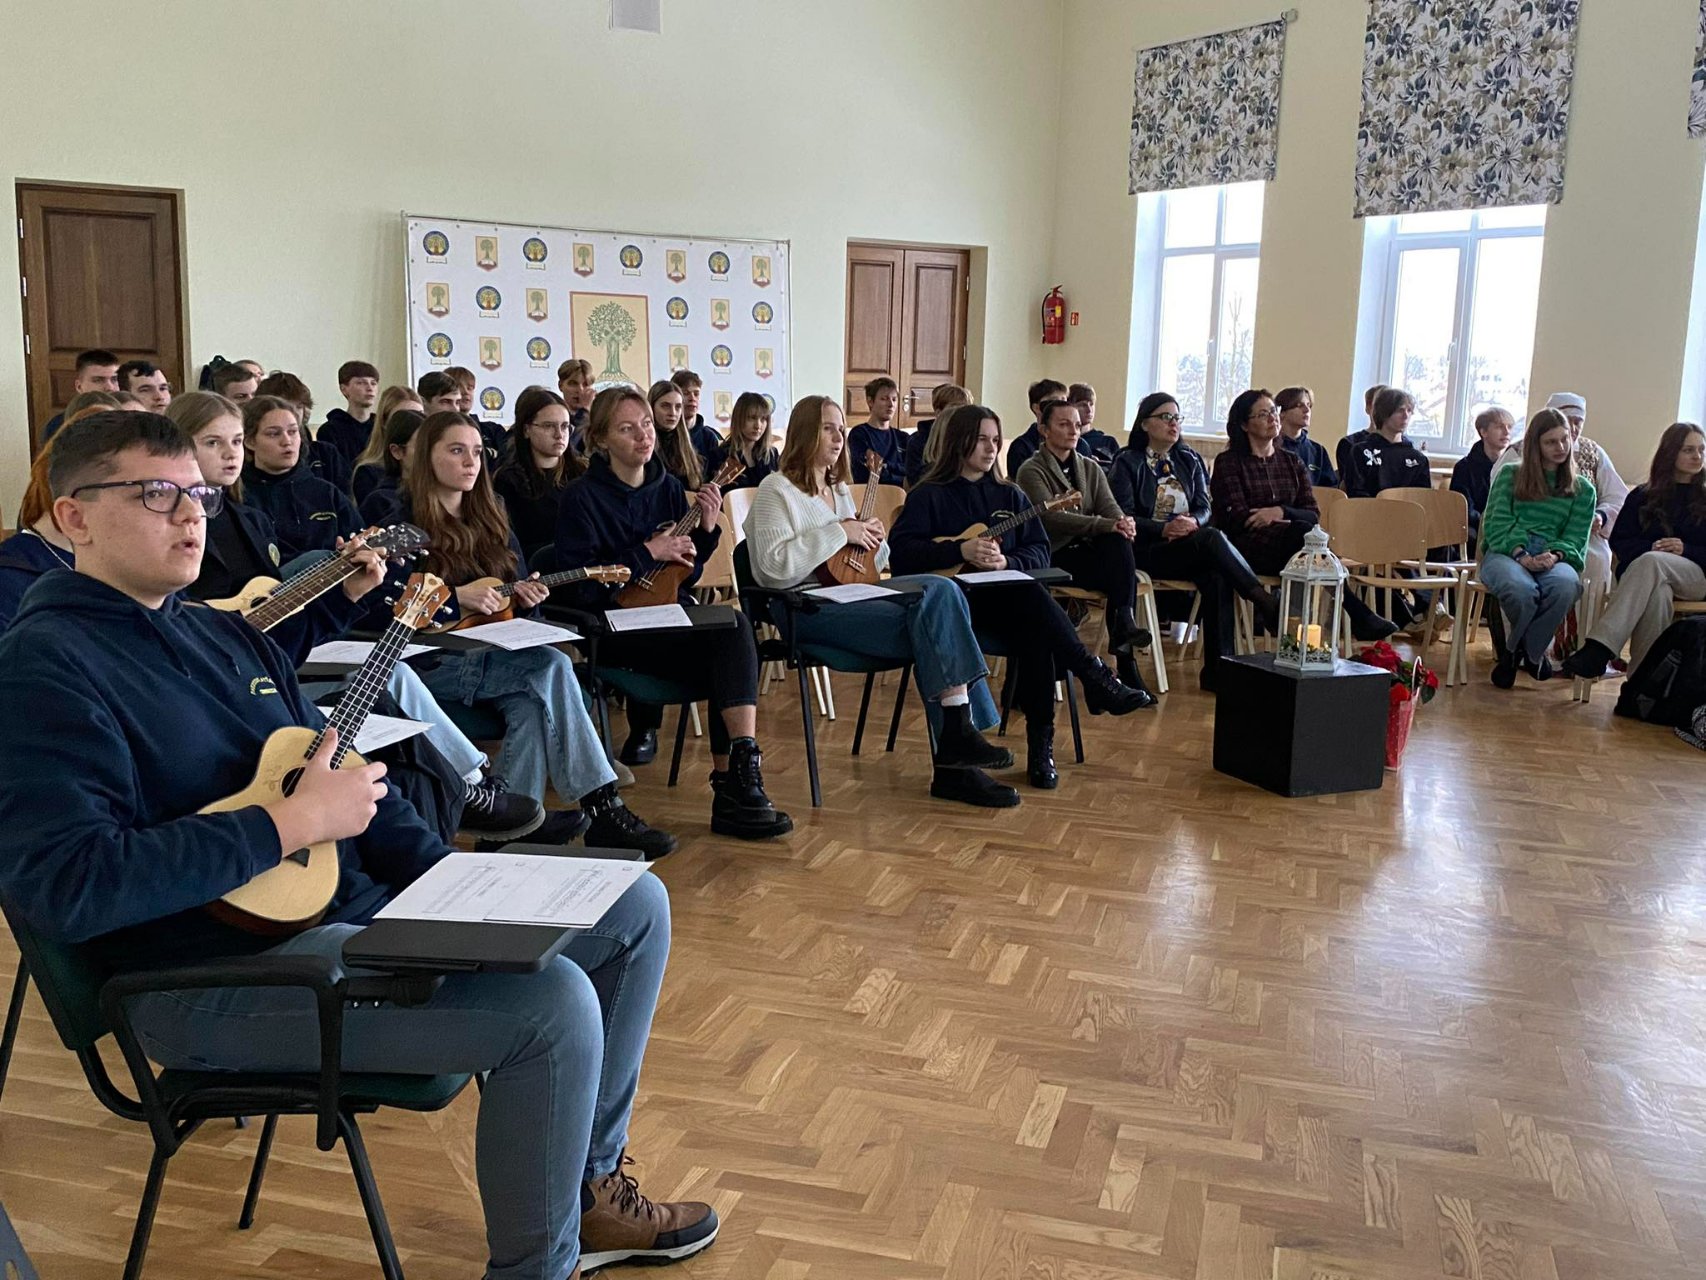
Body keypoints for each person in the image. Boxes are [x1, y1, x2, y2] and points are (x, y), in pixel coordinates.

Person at [0, 409, 718, 1280]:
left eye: (197, 493)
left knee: (634, 904)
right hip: (205, 979)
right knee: (551, 1006)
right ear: (73, 516)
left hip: (338, 922)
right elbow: (67, 886)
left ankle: (589, 1189)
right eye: (156, 494)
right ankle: (538, 1265)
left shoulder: (218, 633)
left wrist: (451, 881)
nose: (192, 513)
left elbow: (332, 775)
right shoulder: (43, 665)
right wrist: (286, 827)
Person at [392, 411, 679, 856]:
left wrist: (527, 597)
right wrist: (456, 597)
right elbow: (389, 606)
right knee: (552, 665)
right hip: (431, 662)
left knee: (530, 704)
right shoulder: (400, 523)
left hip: (494, 654)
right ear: (427, 457)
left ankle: (510, 827)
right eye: (456, 450)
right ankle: (603, 806)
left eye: (476, 452)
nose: (471, 462)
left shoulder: (491, 512)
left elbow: (517, 585)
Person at [743, 394, 1018, 807]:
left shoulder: (838, 490)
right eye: (828, 429)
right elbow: (771, 569)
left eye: (841, 429)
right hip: (807, 607)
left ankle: (958, 739)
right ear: (803, 433)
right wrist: (841, 532)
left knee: (942, 589)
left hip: (857, 595)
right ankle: (956, 761)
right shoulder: (775, 490)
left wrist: (875, 537)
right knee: (934, 629)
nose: (838, 438)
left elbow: (865, 563)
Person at [555, 388, 792, 840]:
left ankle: (738, 778)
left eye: (646, 424)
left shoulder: (665, 487)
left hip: (666, 617)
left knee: (731, 626)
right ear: (601, 439)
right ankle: (734, 789)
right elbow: (579, 585)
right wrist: (646, 552)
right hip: (615, 628)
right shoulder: (580, 499)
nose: (643, 435)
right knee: (728, 648)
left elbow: (682, 573)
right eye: (627, 429)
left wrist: (705, 531)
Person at [890, 405, 1153, 788]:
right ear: (958, 442)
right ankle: (1092, 677)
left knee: (1035, 622)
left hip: (1007, 603)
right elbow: (901, 556)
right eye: (981, 439)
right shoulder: (928, 495)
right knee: (1034, 609)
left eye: (996, 440)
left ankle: (1041, 747)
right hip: (953, 610)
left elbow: (1040, 551)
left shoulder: (1010, 495)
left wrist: (1006, 562)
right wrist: (958, 551)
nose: (991, 448)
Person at [1109, 391, 1283, 687]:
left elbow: (1205, 507)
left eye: (1177, 417)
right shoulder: (1127, 462)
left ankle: (1217, 671)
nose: (1173, 423)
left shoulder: (1188, 460)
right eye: (1165, 417)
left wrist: (1193, 521)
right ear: (1145, 424)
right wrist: (1162, 529)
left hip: (1186, 546)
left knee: (1217, 574)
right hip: (1146, 549)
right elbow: (1123, 515)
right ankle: (1263, 600)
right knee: (1212, 538)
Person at [1212, 388, 1399, 641]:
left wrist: (1279, 512)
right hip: (1247, 549)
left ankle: (1299, 629)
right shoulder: (1229, 462)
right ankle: (1356, 614)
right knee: (1306, 538)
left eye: (1274, 411)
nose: (1273, 418)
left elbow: (1312, 513)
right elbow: (1238, 518)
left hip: (1294, 547)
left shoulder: (1291, 461)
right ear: (1244, 424)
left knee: (1307, 539)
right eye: (1263, 414)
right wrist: (1286, 520)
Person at [1014, 398, 1151, 690]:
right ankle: (1125, 656)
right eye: (1064, 424)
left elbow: (1110, 507)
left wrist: (1123, 522)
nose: (1073, 431)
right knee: (1119, 564)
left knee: (1118, 543)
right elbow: (1052, 518)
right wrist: (1106, 525)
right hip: (1055, 554)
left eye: (1077, 425)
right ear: (1044, 430)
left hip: (1089, 552)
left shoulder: (1089, 467)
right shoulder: (1031, 469)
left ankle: (1124, 628)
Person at [1565, 423, 1706, 678]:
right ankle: (1641, 684)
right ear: (1671, 453)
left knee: (1653, 562)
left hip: (1697, 577)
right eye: (1688, 450)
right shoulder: (1643, 495)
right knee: (1658, 595)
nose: (1697, 456)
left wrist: (1685, 549)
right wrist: (1651, 547)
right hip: (1647, 579)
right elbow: (1620, 541)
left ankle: (1600, 647)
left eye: (1701, 449)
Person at [1478, 408, 1594, 687]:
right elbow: (1496, 525)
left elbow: (1576, 538)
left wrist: (1554, 555)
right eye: (1551, 442)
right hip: (1507, 551)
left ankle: (1515, 652)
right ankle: (1533, 654)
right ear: (1535, 445)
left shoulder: (1583, 490)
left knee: (1566, 586)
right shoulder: (1509, 475)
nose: (1561, 447)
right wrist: (1522, 555)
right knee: (1521, 590)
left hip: (1554, 555)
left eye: (1565, 439)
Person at [1494, 392, 1628, 591]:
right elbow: (1499, 497)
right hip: (1525, 531)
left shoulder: (1593, 452)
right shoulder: (1517, 452)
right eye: (1568, 421)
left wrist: (1601, 515)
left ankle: (1583, 612)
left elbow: (1617, 496)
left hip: (1578, 533)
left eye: (1578, 422)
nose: (1573, 428)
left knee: (1596, 559)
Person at [240, 395, 362, 558]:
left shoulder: (326, 493)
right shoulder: (238, 495)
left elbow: (359, 540)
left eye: (293, 432)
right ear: (250, 441)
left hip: (329, 574)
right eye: (273, 434)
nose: (287, 441)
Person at [493, 387, 583, 557]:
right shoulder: (508, 480)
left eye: (565, 426)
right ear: (526, 430)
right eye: (549, 426)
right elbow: (509, 543)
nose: (559, 435)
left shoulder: (583, 472)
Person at [256, 370, 352, 494]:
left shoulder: (326, 454)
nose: (294, 413)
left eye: (299, 406)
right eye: (285, 406)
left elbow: (347, 497)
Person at [1340, 387, 1431, 497]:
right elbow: (1356, 493)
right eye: (1400, 410)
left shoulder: (1418, 459)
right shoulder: (1360, 452)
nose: (1406, 416)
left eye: (1409, 411)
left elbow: (1422, 498)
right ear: (1384, 413)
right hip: (1368, 507)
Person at [1451, 407, 1514, 548]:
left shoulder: (1513, 467)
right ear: (1483, 432)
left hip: (1507, 527)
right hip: (1477, 528)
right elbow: (1464, 509)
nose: (1506, 432)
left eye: (1509, 427)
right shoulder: (1464, 467)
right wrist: (1490, 522)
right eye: (1499, 427)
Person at [351, 386, 425, 506]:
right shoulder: (368, 473)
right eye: (402, 417)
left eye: (420, 414)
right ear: (384, 422)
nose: (415, 422)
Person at [40, 348, 121, 441]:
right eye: (98, 380)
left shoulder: (130, 417)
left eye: (114, 379)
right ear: (79, 386)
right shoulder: (59, 425)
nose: (110, 387)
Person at [903, 383, 970, 488]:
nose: (961, 416)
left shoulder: (970, 439)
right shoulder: (918, 441)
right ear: (939, 412)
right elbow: (916, 480)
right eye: (955, 409)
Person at [1003, 378, 1074, 475]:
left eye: (1064, 402)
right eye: (1054, 402)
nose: (1062, 408)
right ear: (1036, 408)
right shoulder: (1020, 448)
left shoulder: (1079, 444)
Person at [710, 391, 779, 490]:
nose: (758, 426)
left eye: (763, 419)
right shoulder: (720, 454)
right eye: (752, 418)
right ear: (739, 419)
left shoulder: (772, 454)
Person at [317, 359, 381, 465]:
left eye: (373, 383)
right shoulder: (330, 431)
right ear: (344, 389)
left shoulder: (382, 428)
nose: (370, 388)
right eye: (361, 383)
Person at [648, 379, 708, 490]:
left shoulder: (688, 449)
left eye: (678, 407)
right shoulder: (644, 446)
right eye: (665, 406)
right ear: (651, 407)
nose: (673, 413)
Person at [847, 376, 908, 483]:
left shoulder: (903, 437)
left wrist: (887, 465)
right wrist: (899, 475)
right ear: (870, 401)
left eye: (894, 399)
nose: (891, 404)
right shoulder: (859, 434)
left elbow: (912, 471)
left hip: (902, 491)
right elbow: (867, 473)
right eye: (884, 399)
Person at [1275, 386, 1337, 489]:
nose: (1307, 410)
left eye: (1309, 405)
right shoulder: (1270, 447)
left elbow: (1330, 490)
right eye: (1299, 405)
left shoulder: (1317, 450)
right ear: (1282, 413)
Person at [669, 369, 722, 476]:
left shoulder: (709, 437)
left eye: (696, 394)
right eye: (686, 393)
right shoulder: (667, 435)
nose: (692, 398)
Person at [448, 364, 507, 458]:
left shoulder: (493, 431)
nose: (466, 392)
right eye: (459, 387)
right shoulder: (438, 431)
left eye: (470, 388)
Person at [1335, 383, 1387, 481]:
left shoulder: (1403, 446)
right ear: (1368, 407)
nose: (1385, 411)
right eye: (1379, 405)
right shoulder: (1349, 443)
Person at [1069, 382, 1120, 467]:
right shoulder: (1066, 440)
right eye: (1083, 405)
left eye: (1091, 404)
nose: (1089, 410)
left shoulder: (1107, 442)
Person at [559, 358, 598, 453]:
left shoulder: (599, 417)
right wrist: (584, 411)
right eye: (573, 384)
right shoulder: (553, 414)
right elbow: (568, 449)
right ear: (560, 385)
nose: (580, 390)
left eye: (585, 384)